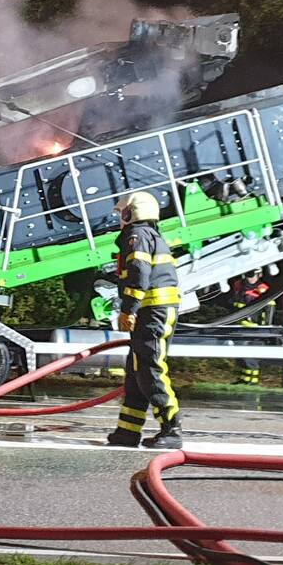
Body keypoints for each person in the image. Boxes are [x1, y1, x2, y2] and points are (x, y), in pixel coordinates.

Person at [105, 191, 183, 449]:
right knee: (136, 372)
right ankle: (127, 432)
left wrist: (129, 309)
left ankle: (172, 430)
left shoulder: (136, 237)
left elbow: (139, 273)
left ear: (131, 213)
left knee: (150, 369)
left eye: (122, 213)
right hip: (154, 310)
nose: (120, 219)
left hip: (153, 311)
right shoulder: (150, 236)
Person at [229, 268, 276, 385]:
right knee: (240, 354)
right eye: (248, 274)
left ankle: (253, 380)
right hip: (239, 325)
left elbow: (270, 306)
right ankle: (243, 379)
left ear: (259, 275)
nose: (250, 278)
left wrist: (265, 327)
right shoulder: (239, 285)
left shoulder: (262, 288)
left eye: (253, 275)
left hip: (254, 327)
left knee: (250, 354)